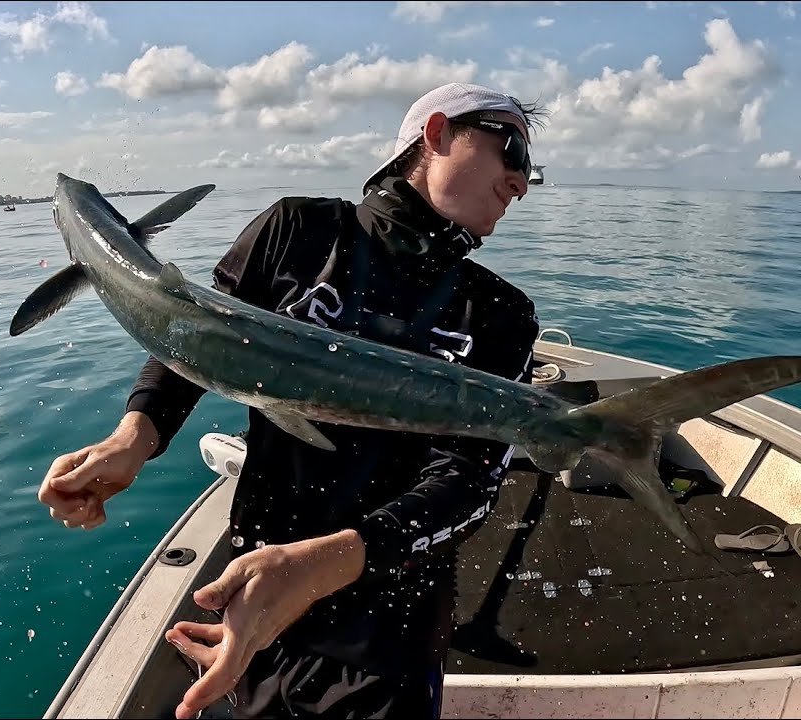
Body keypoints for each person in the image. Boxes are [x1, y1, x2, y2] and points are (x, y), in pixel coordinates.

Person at [38, 82, 548, 719]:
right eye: (513, 154)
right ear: (438, 134)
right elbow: (194, 341)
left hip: (385, 626)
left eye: (531, 171)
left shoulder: (501, 314)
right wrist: (133, 438)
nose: (521, 182)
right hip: (253, 596)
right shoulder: (297, 230)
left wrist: (319, 567)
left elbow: (470, 485)